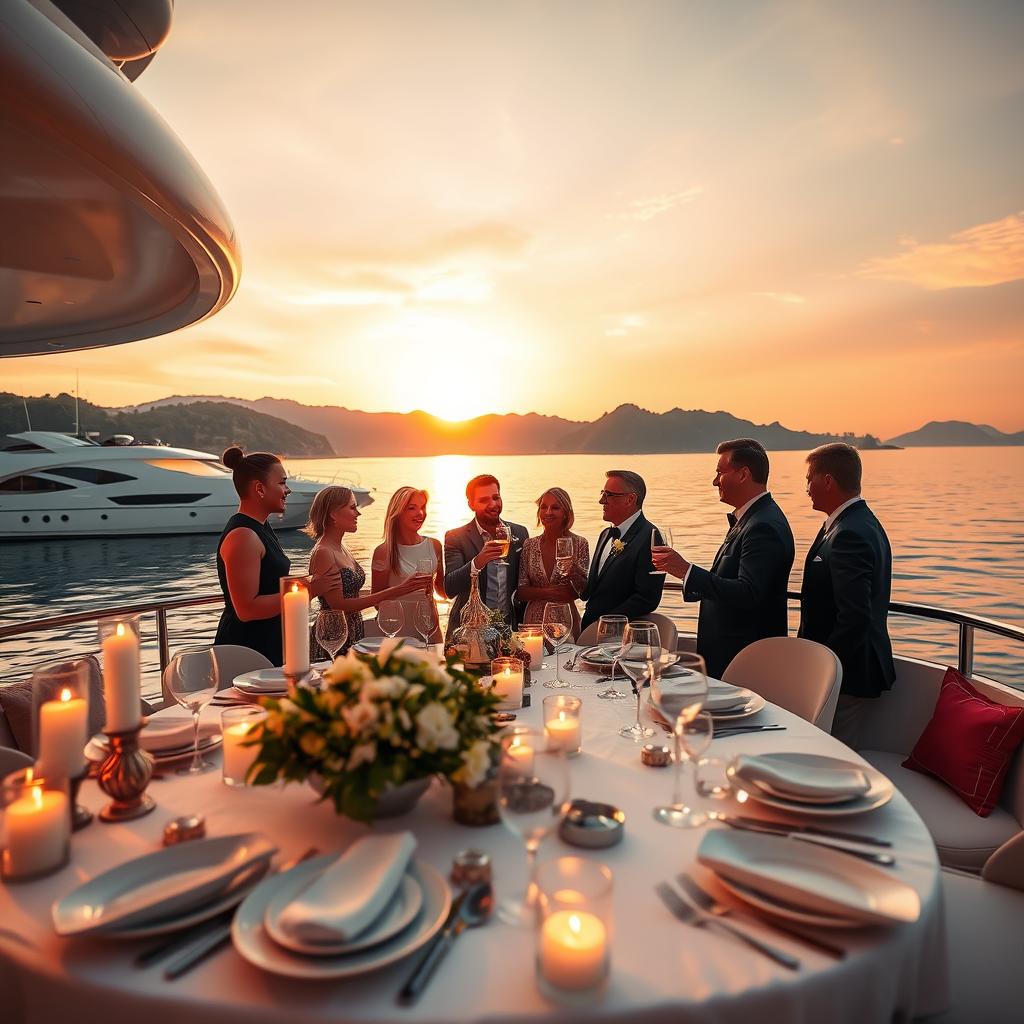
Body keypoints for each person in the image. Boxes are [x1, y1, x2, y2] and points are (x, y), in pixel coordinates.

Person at [651, 439, 795, 678]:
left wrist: (687, 571)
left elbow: (748, 593)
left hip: (745, 658)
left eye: (720, 472)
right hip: (730, 655)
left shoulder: (763, 525)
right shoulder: (753, 519)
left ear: (743, 474)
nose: (715, 481)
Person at [798, 442, 896, 748]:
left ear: (828, 480)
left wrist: (825, 671)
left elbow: (854, 616)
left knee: (832, 757)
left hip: (847, 674)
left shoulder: (849, 532)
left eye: (809, 478)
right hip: (845, 669)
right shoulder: (854, 522)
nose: (806, 488)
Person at [214, 447, 337, 666]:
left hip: (269, 642)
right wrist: (309, 590)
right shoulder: (243, 535)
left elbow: (268, 584)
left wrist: (307, 582)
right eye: (281, 483)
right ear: (259, 488)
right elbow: (246, 609)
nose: (287, 490)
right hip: (247, 650)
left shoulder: (261, 527)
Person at [306, 486, 429, 656]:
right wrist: (397, 590)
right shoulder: (323, 552)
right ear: (333, 513)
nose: (358, 513)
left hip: (352, 632)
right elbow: (338, 606)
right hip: (333, 638)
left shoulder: (341, 547)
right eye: (352, 507)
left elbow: (352, 595)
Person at [444, 474, 529, 636]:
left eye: (496, 497)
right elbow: (449, 587)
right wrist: (478, 562)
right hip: (469, 632)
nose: (493, 504)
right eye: (484, 500)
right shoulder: (455, 537)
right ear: (471, 505)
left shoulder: (520, 532)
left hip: (510, 631)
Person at [581, 470, 663, 631]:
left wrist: (606, 623)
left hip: (620, 636)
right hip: (589, 631)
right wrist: (575, 577)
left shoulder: (651, 536)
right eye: (602, 493)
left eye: (608, 495)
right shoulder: (605, 534)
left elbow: (647, 598)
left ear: (630, 499)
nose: (601, 501)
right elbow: (590, 593)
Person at [370, 487, 446, 639]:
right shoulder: (383, 552)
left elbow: (442, 590)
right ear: (397, 513)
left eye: (423, 507)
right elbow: (377, 601)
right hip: (396, 630)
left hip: (428, 626)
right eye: (412, 508)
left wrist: (472, 571)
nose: (420, 513)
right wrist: (404, 589)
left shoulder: (435, 545)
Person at [518, 487, 590, 638]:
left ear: (566, 514)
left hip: (565, 622)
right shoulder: (529, 545)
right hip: (533, 624)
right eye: (544, 507)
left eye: (555, 507)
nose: (548, 512)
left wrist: (573, 570)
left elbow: (582, 591)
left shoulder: (580, 543)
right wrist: (549, 592)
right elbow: (521, 591)